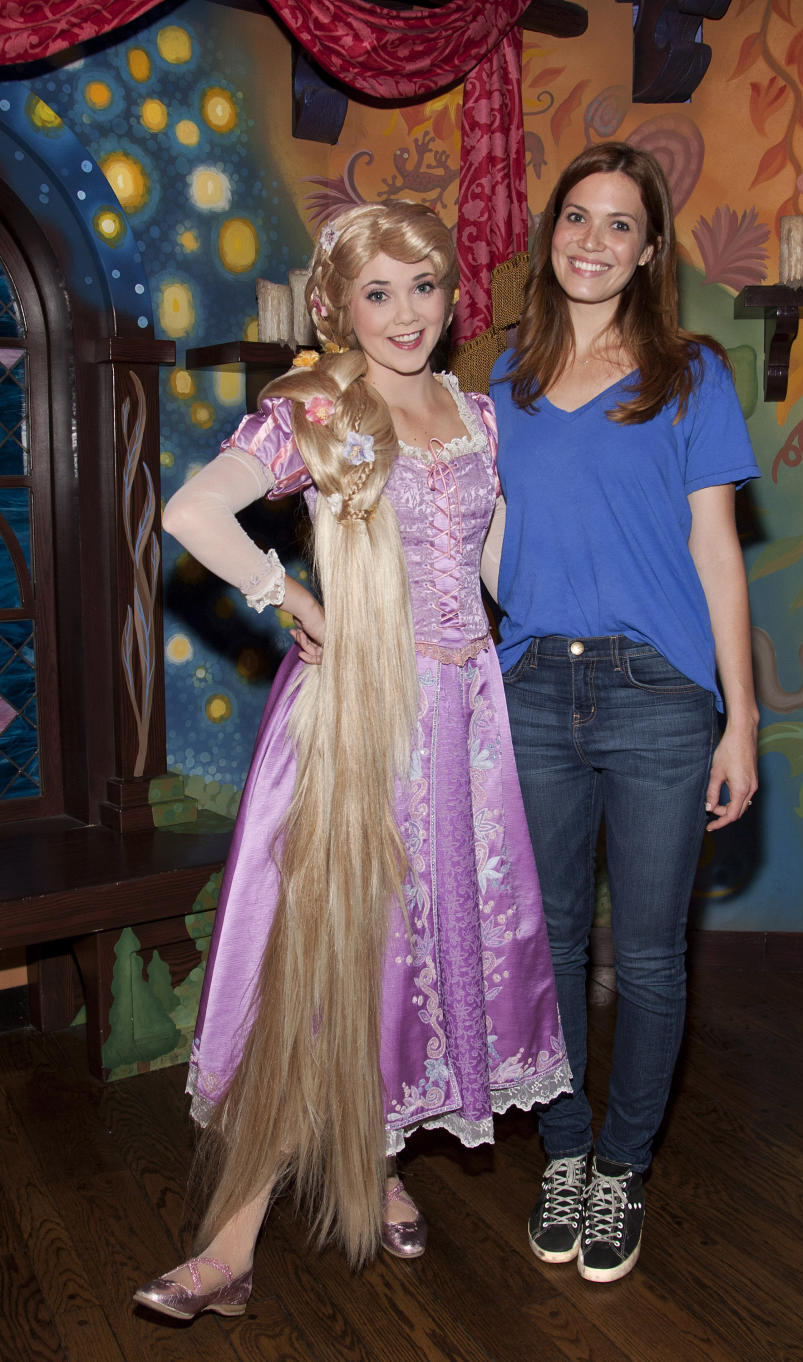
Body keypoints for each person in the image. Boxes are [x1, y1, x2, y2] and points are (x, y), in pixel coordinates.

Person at [133, 201, 569, 1321]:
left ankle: (372, 1167)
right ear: (337, 305)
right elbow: (192, 510)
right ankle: (230, 1245)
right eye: (378, 292)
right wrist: (291, 598)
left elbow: (505, 575)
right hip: (358, 723)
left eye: (423, 288)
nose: (406, 313)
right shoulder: (319, 409)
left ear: (449, 297)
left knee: (415, 956)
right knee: (329, 957)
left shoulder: (478, 416)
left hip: (464, 726)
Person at [488, 142, 760, 1284]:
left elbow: (718, 553)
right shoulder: (498, 381)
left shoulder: (692, 375)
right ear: (552, 236)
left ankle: (621, 1169)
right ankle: (562, 1148)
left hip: (659, 701)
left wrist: (742, 720)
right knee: (545, 949)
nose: (592, 241)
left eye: (619, 225)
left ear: (650, 251)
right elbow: (486, 544)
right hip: (535, 687)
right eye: (576, 219)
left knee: (647, 959)